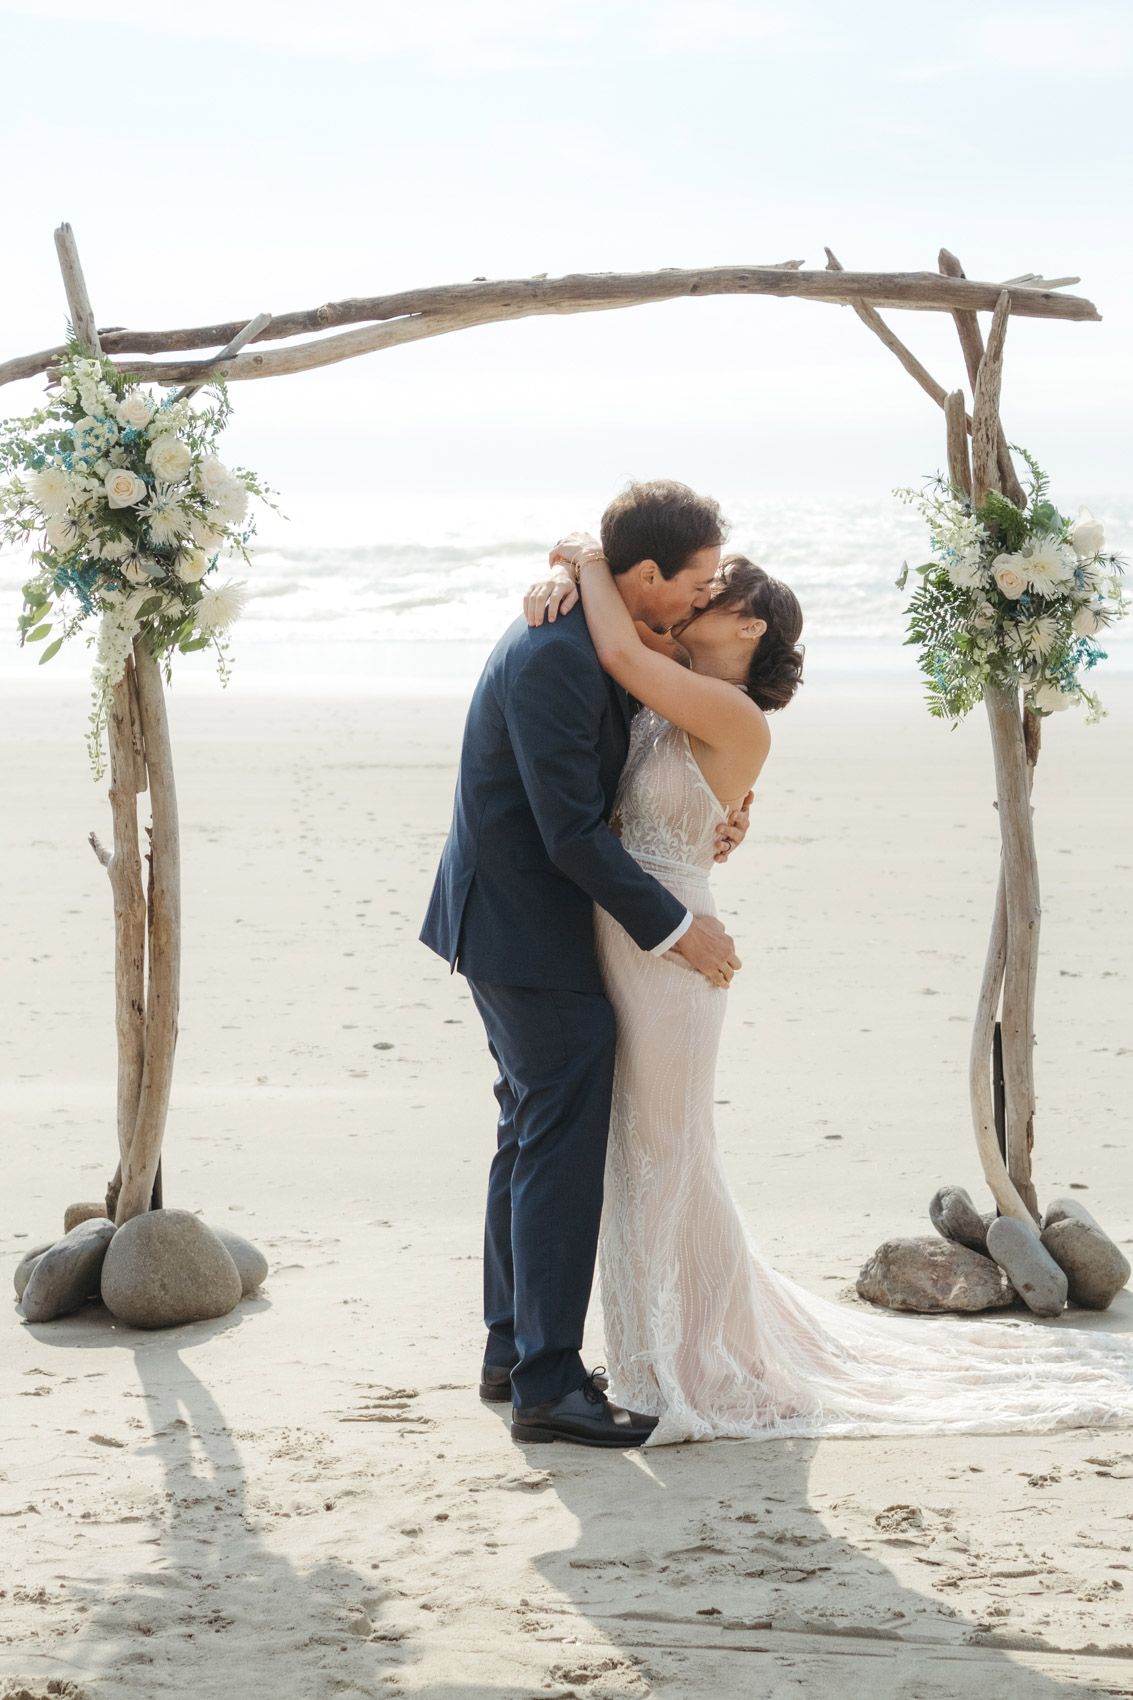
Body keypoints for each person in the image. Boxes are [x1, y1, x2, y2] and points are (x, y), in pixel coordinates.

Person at [525, 537, 1133, 1445]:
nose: (683, 612)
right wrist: (559, 572)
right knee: (643, 1153)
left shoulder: (735, 715)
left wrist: (581, 563)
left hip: (674, 952)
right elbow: (627, 632)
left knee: (667, 1153)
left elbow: (617, 647)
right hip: (629, 933)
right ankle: (660, 1350)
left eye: (708, 599)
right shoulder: (678, 672)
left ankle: (682, 1361)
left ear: (748, 623)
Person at [420, 480, 753, 1448]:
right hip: (522, 922)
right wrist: (675, 927)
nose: (701, 597)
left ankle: (510, 1347)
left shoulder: (591, 627)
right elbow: (567, 830)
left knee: (531, 1124)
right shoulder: (559, 650)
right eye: (694, 582)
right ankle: (548, 1385)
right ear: (644, 575)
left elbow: (625, 772)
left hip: (517, 916)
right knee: (561, 1132)